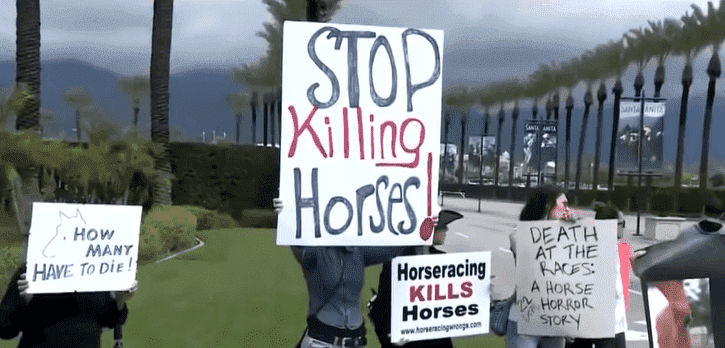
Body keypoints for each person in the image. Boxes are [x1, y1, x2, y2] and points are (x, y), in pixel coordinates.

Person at [274, 198, 410, 348]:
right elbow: (298, 240)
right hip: (321, 342)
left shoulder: (358, 251)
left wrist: (424, 223)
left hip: (356, 342)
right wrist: (285, 215)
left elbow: (396, 247)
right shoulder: (317, 252)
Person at [368, 209, 464, 348]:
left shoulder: (445, 262)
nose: (447, 229)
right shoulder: (398, 263)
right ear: (431, 230)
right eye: (443, 226)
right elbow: (384, 310)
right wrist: (391, 340)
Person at [0, 252, 135, 348]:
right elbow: (5, 329)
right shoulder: (31, 272)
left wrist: (121, 298)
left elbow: (110, 319)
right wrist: (25, 299)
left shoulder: (93, 272)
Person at [506, 186, 571, 348]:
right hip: (525, 320)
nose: (567, 209)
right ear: (548, 207)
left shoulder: (567, 236)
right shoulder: (519, 234)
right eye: (563, 205)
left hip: (555, 322)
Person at [565, 202, 628, 348]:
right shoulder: (605, 251)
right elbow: (614, 291)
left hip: (582, 322)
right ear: (614, 225)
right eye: (622, 223)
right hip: (608, 326)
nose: (624, 228)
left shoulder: (581, 246)